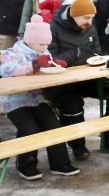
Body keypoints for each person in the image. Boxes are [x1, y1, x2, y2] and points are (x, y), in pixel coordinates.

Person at [47, 0, 109, 161]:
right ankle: (78, 146)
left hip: (86, 79)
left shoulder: (90, 28)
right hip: (60, 82)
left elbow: (95, 53)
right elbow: (50, 60)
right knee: (72, 104)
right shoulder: (53, 28)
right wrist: (75, 53)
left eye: (92, 18)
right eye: (86, 18)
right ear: (73, 14)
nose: (90, 22)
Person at [0, 15, 81, 180]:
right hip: (14, 101)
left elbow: (47, 66)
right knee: (29, 129)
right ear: (29, 40)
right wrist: (35, 65)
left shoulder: (43, 51)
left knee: (54, 126)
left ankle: (59, 163)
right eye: (41, 44)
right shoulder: (13, 53)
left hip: (37, 99)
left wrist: (56, 63)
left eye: (47, 44)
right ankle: (26, 164)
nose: (44, 47)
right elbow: (7, 70)